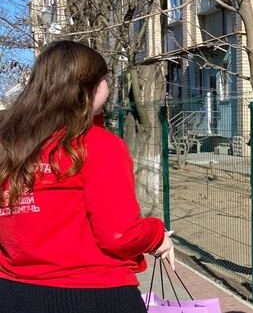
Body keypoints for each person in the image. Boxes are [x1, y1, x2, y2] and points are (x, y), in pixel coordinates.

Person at [0, 40, 175, 313]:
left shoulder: (9, 146)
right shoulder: (98, 146)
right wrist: (157, 235)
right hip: (93, 293)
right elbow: (119, 234)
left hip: (13, 292)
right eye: (105, 79)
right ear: (88, 89)